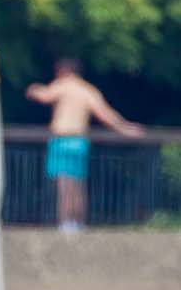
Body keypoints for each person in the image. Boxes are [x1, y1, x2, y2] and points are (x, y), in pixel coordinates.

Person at [26, 58, 141, 234]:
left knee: (64, 184)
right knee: (78, 184)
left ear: (63, 71)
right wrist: (125, 128)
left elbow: (44, 96)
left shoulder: (64, 85)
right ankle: (78, 222)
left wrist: (33, 89)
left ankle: (66, 222)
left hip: (62, 140)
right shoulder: (88, 90)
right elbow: (105, 114)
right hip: (80, 142)